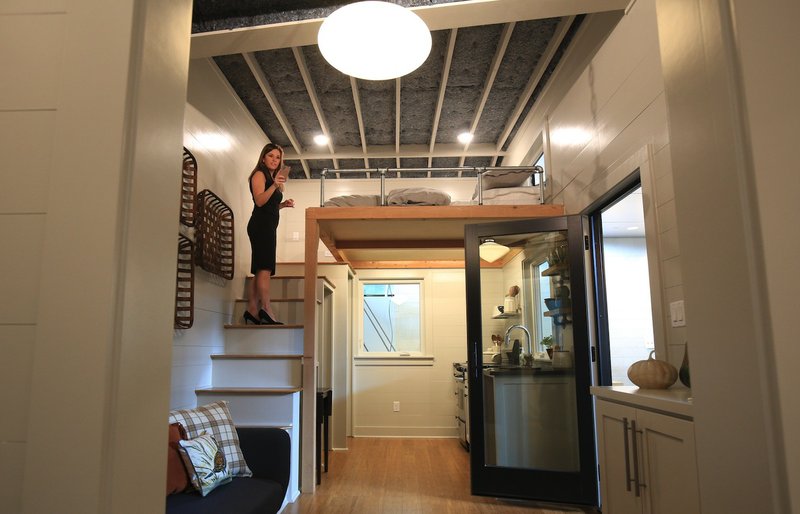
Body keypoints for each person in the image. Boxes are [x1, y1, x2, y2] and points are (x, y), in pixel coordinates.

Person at [243, 143, 295, 325]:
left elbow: (269, 205)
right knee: (265, 268)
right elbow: (259, 201)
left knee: (260, 269)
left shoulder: (272, 178)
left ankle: (252, 309)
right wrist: (274, 185)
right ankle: (266, 308)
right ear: (263, 157)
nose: (274, 160)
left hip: (267, 225)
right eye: (271, 156)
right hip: (260, 226)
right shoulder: (259, 174)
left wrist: (283, 204)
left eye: (278, 157)